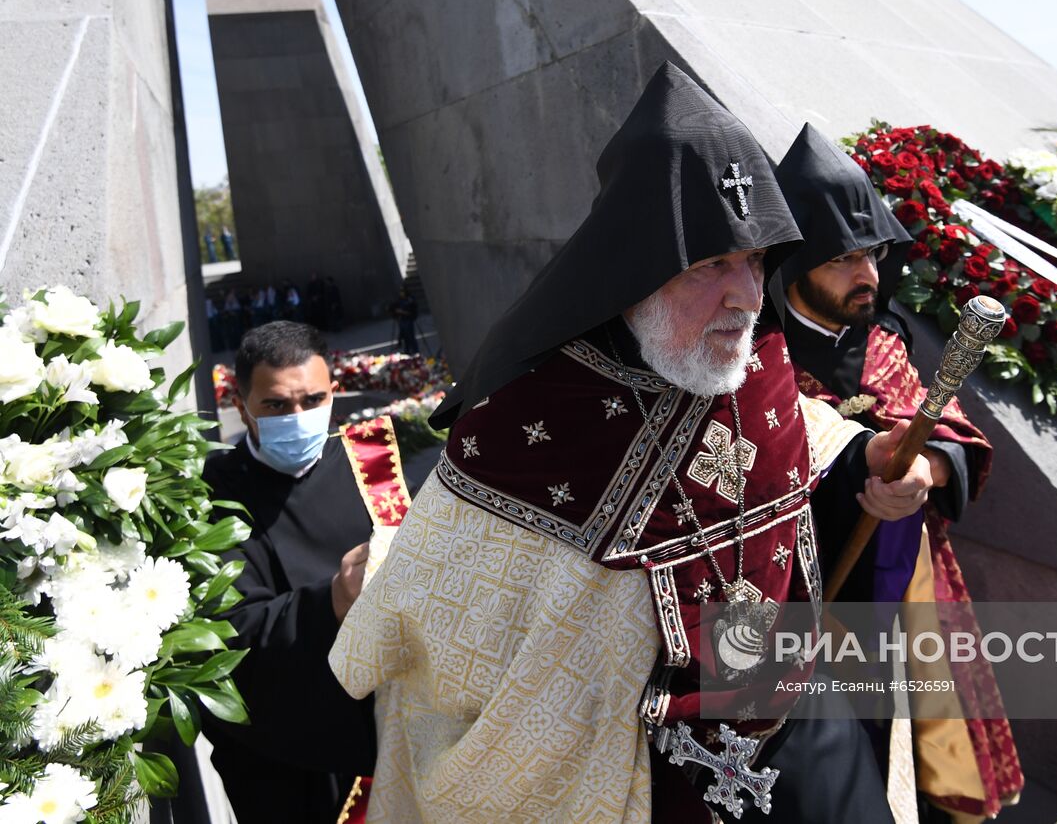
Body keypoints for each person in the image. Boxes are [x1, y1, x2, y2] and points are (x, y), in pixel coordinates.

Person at [329, 63, 939, 823]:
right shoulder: (525, 420)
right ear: (635, 269)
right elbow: (448, 628)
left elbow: (798, 437)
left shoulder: (758, 358)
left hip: (802, 725)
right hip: (626, 767)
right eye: (711, 263)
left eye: (755, 262)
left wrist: (863, 462)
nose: (746, 298)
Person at [774, 123, 1022, 821]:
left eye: (874, 254)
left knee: (927, 737)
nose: (869, 276)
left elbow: (948, 432)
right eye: (844, 259)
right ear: (795, 266)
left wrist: (928, 475)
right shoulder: (755, 357)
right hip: (803, 594)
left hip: (906, 583)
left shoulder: (883, 340)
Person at [201, 322, 405, 821]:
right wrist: (332, 600)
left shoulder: (369, 460)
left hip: (392, 728)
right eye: (276, 405)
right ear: (240, 404)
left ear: (333, 393)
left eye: (313, 400)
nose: (299, 417)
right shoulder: (210, 495)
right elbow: (225, 636)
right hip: (283, 758)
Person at [389, 285, 419, 354]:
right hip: (401, 320)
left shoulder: (410, 300)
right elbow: (393, 306)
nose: (401, 293)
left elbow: (412, 310)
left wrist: (402, 312)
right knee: (405, 337)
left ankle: (415, 351)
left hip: (408, 320)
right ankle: (407, 351)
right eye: (400, 292)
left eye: (402, 292)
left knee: (411, 337)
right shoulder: (400, 299)